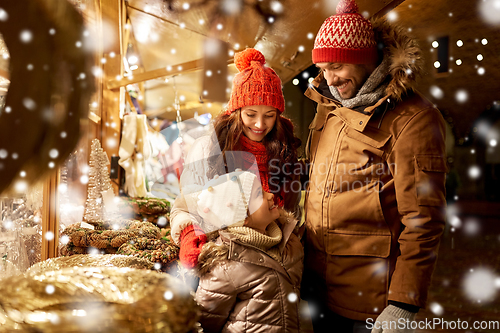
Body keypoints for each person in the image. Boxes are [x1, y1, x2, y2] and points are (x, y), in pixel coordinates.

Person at [302, 0, 447, 332]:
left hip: (369, 298)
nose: (329, 79)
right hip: (317, 284)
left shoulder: (414, 119)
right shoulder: (330, 107)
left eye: (337, 66)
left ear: (365, 60)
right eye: (322, 69)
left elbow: (423, 219)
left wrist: (402, 302)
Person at [170, 48, 302, 269]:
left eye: (269, 116)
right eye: (251, 114)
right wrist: (189, 234)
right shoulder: (210, 148)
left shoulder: (285, 153)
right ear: (236, 111)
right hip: (222, 262)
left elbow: (292, 212)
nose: (260, 125)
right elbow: (184, 206)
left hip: (272, 263)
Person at [191, 170, 304, 333]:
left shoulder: (288, 240)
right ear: (242, 216)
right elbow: (206, 322)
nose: (270, 195)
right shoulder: (224, 266)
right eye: (260, 194)